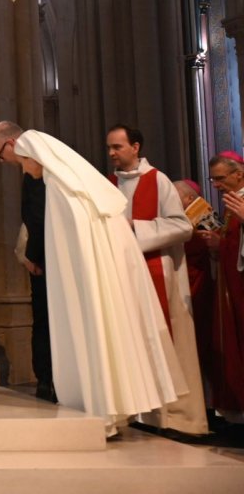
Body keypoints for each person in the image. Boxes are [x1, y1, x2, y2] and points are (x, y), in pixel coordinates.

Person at [0, 121, 181, 436]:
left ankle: (101, 408)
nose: (23, 170)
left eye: (22, 162)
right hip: (76, 282)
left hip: (85, 287)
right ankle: (99, 406)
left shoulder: (66, 192)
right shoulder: (67, 187)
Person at [106, 124, 207, 435]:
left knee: (167, 342)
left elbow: (182, 227)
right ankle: (143, 413)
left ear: (136, 147)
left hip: (158, 273)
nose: (111, 153)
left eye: (117, 147)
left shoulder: (158, 180)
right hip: (125, 276)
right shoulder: (109, 184)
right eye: (109, 147)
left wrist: (135, 229)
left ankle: (178, 417)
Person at [207, 152, 244, 423]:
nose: (216, 184)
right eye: (213, 179)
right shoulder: (232, 202)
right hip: (232, 285)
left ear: (238, 174)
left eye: (220, 178)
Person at [174, 178, 218, 395]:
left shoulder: (200, 211)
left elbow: (215, 245)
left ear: (189, 198)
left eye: (175, 196)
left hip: (199, 281)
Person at [12, 172, 54, 402]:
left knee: (44, 322)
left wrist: (33, 256)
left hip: (45, 260)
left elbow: (37, 218)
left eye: (0, 155)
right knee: (45, 321)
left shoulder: (36, 176)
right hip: (52, 258)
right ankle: (48, 380)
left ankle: (46, 380)